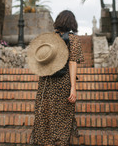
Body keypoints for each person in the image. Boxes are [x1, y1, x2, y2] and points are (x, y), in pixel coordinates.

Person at [29, 10, 84, 146]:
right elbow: (72, 62)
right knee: (61, 118)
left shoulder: (48, 38)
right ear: (72, 22)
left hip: (46, 82)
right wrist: (73, 88)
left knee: (45, 116)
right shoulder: (73, 39)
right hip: (63, 83)